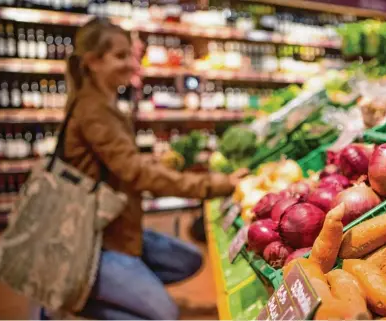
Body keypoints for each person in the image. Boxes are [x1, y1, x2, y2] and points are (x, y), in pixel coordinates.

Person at [52, 18, 246, 320]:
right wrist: (216, 184)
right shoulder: (93, 110)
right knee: (164, 314)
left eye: (131, 54)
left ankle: (118, 288)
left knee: (186, 260)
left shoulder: (106, 103)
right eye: (120, 56)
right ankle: (75, 295)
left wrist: (166, 163)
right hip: (93, 238)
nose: (131, 64)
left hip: (120, 225)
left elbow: (124, 164)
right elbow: (137, 173)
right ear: (92, 62)